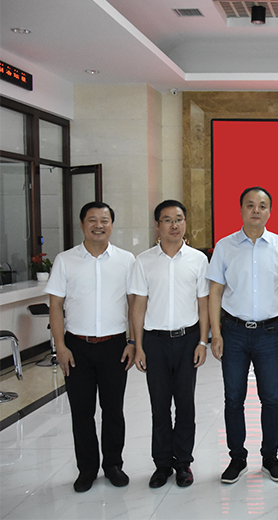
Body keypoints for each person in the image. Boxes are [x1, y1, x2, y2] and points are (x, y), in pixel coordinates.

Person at [207, 186, 278, 485]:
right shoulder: (225, 246)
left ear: (270, 211)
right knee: (233, 398)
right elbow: (215, 292)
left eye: (262, 205)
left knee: (270, 398)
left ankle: (270, 457)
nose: (256, 210)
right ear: (241, 209)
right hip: (233, 332)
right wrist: (215, 333)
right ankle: (237, 458)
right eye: (250, 205)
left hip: (269, 333)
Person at [45, 201, 136, 493]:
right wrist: (60, 346)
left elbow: (134, 305)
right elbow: (55, 306)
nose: (99, 225)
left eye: (104, 220)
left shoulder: (126, 260)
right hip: (77, 347)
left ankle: (113, 465)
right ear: (82, 224)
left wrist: (133, 341)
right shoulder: (65, 260)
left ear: (112, 225)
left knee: (113, 410)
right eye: (92, 220)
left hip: (114, 346)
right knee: (82, 411)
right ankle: (86, 469)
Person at [130, 200, 210, 488]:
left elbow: (203, 304)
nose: (174, 225)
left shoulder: (198, 260)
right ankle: (162, 464)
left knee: (186, 405)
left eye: (179, 219)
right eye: (167, 220)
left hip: (188, 340)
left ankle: (183, 463)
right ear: (157, 225)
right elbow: (138, 305)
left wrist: (203, 341)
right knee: (159, 405)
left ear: (185, 223)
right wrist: (138, 345)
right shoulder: (143, 261)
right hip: (155, 342)